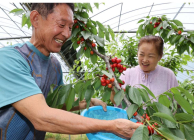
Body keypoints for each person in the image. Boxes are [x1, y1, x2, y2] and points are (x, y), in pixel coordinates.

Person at [0, 3, 141, 140]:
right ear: (36, 19)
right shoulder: (10, 59)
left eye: (70, 27)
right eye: (61, 25)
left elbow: (58, 103)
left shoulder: (55, 66)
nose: (67, 34)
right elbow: (41, 117)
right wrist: (111, 126)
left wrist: (89, 102)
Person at [110, 35, 179, 105]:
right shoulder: (127, 75)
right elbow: (116, 102)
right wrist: (113, 90)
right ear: (137, 53)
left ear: (159, 56)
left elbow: (177, 102)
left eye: (150, 56)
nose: (145, 60)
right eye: (142, 54)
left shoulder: (168, 75)